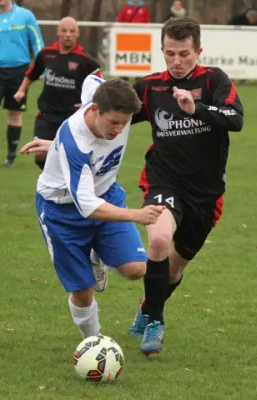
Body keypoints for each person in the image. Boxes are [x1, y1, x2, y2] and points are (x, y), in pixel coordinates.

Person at [127, 17, 244, 355]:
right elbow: (115, 117)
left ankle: (147, 306)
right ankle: (155, 323)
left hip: (206, 194)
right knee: (160, 238)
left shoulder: (214, 80)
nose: (176, 61)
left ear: (198, 51)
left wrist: (198, 109)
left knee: (175, 269)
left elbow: (235, 119)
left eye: (183, 54)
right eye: (169, 54)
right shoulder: (150, 86)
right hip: (163, 179)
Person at [20, 75, 165, 340]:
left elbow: (90, 78)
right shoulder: (76, 142)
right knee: (83, 291)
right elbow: (86, 205)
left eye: (125, 123)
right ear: (95, 110)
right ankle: (94, 341)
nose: (119, 130)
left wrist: (55, 147)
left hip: (107, 194)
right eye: (113, 123)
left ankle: (96, 253)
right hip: (62, 212)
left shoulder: (103, 97)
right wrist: (137, 215)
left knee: (136, 269)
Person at [14, 16, 102, 170]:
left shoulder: (87, 61)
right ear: (58, 32)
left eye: (72, 31)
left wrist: (90, 102)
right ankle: (57, 177)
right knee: (40, 153)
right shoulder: (46, 54)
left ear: (78, 33)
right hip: (47, 114)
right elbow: (32, 74)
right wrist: (21, 91)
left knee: (69, 154)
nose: (68, 34)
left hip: (72, 116)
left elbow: (100, 86)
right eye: (64, 31)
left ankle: (61, 181)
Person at [0, 0, 44, 167]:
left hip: (20, 71)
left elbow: (37, 41)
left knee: (14, 114)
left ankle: (11, 156)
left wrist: (41, 67)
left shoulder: (26, 16)